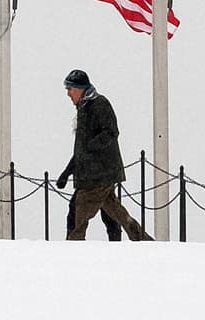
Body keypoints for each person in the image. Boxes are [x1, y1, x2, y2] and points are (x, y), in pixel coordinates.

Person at [59, 68, 152, 241]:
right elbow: (81, 150)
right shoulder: (83, 109)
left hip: (100, 174)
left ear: (80, 89)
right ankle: (141, 238)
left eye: (70, 89)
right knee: (114, 210)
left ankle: (73, 245)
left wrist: (92, 147)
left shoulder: (99, 104)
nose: (68, 93)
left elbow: (111, 132)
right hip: (94, 174)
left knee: (78, 211)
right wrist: (67, 172)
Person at [57, 158, 121, 240]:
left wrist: (65, 174)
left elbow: (80, 155)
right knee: (111, 213)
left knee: (110, 214)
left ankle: (73, 241)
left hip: (94, 182)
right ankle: (118, 241)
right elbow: (79, 155)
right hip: (97, 180)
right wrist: (65, 174)